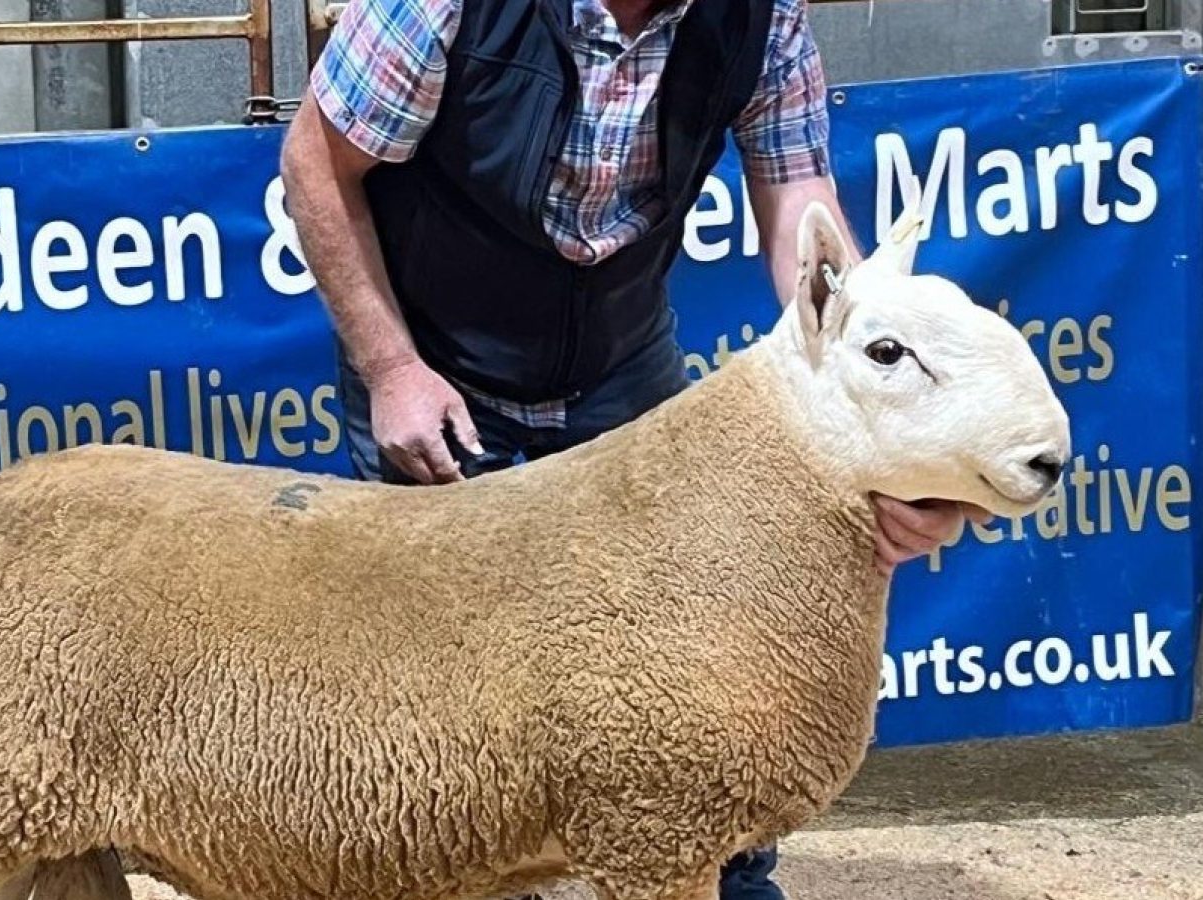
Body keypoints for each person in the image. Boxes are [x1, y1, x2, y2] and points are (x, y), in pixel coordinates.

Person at [279, 0, 987, 895]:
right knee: (432, 685)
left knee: (709, 648)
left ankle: (725, 874)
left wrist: (871, 403)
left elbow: (799, 199)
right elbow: (316, 162)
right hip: (437, 363)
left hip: (619, 356)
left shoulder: (761, 18)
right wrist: (390, 368)